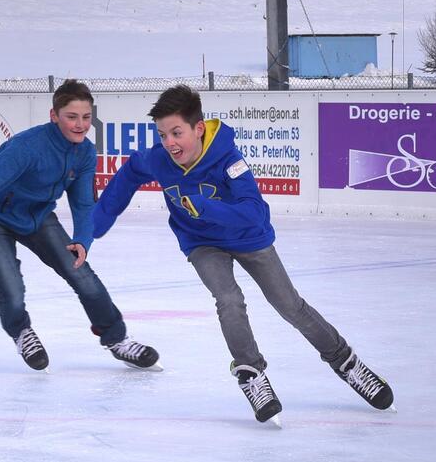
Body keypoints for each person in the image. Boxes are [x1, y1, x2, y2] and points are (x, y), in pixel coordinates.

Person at [92, 85, 393, 424]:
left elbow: (254, 212)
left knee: (290, 306)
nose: (169, 143)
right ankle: (251, 373)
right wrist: (90, 230)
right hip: (201, 243)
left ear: (199, 128)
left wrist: (207, 207)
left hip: (249, 237)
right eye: (162, 135)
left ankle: (346, 362)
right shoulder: (159, 160)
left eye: (176, 132)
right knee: (228, 299)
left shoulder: (230, 160)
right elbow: (130, 172)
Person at [0, 79, 160, 372]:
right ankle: (21, 332)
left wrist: (82, 240)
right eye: (71, 117)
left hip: (39, 217)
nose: (80, 124)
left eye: (86, 117)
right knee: (12, 290)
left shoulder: (85, 153)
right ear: (54, 115)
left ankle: (117, 339)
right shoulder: (27, 148)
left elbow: (82, 203)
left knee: (82, 275)